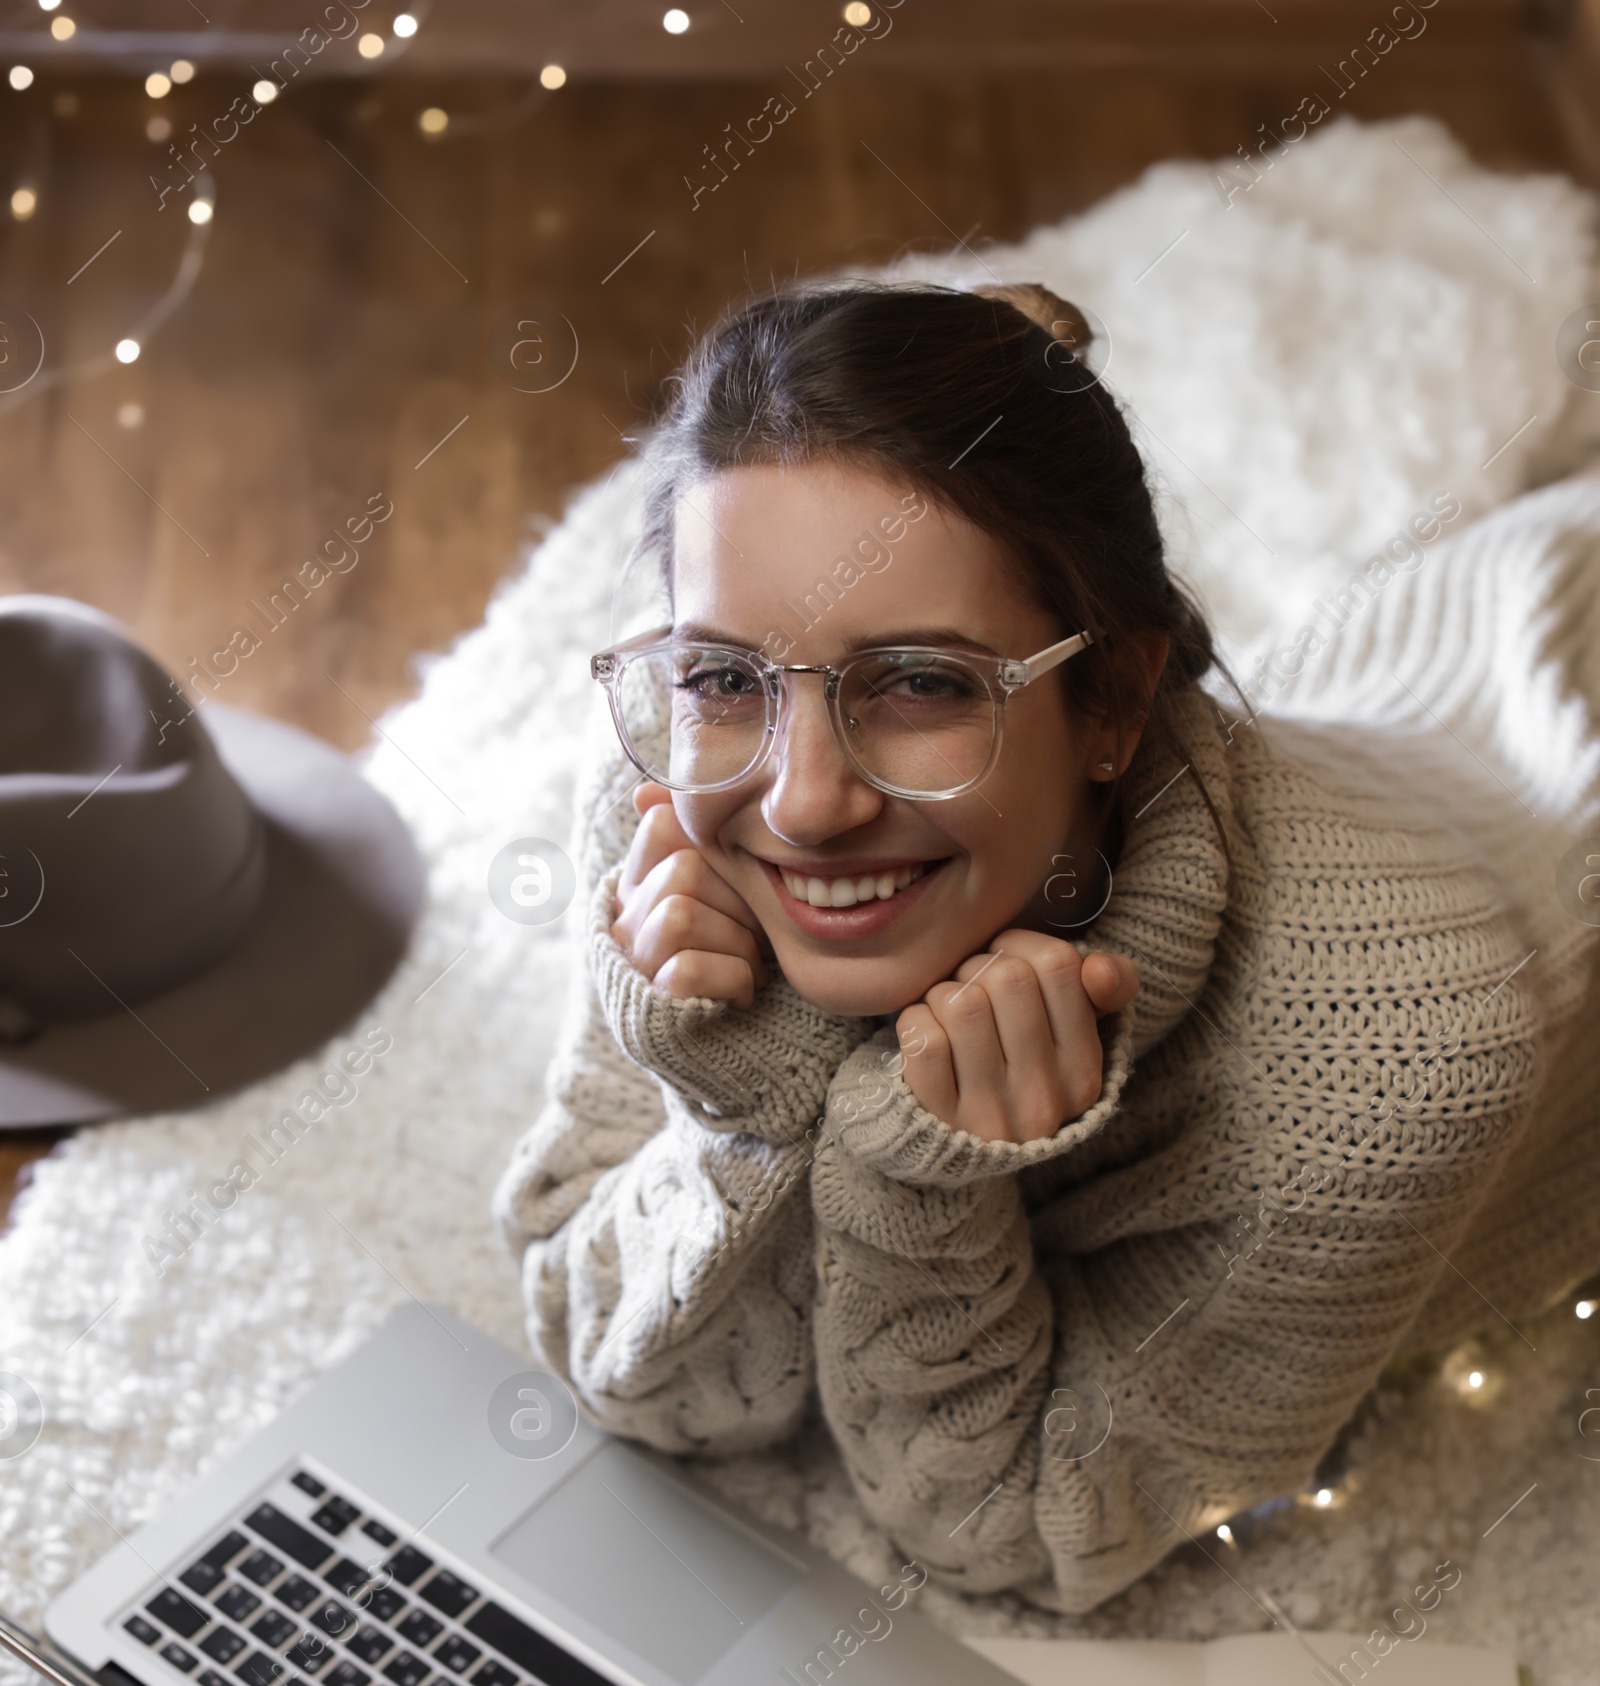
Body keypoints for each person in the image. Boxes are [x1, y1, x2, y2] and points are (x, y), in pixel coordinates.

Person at [494, 279, 1600, 1614]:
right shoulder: (672, 800)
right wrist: (744, 1103)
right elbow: (626, 1369)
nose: (802, 803)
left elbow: (1019, 1538)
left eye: (919, 682)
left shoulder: (1390, 1061)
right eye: (728, 674)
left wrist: (918, 1191)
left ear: (1116, 704)